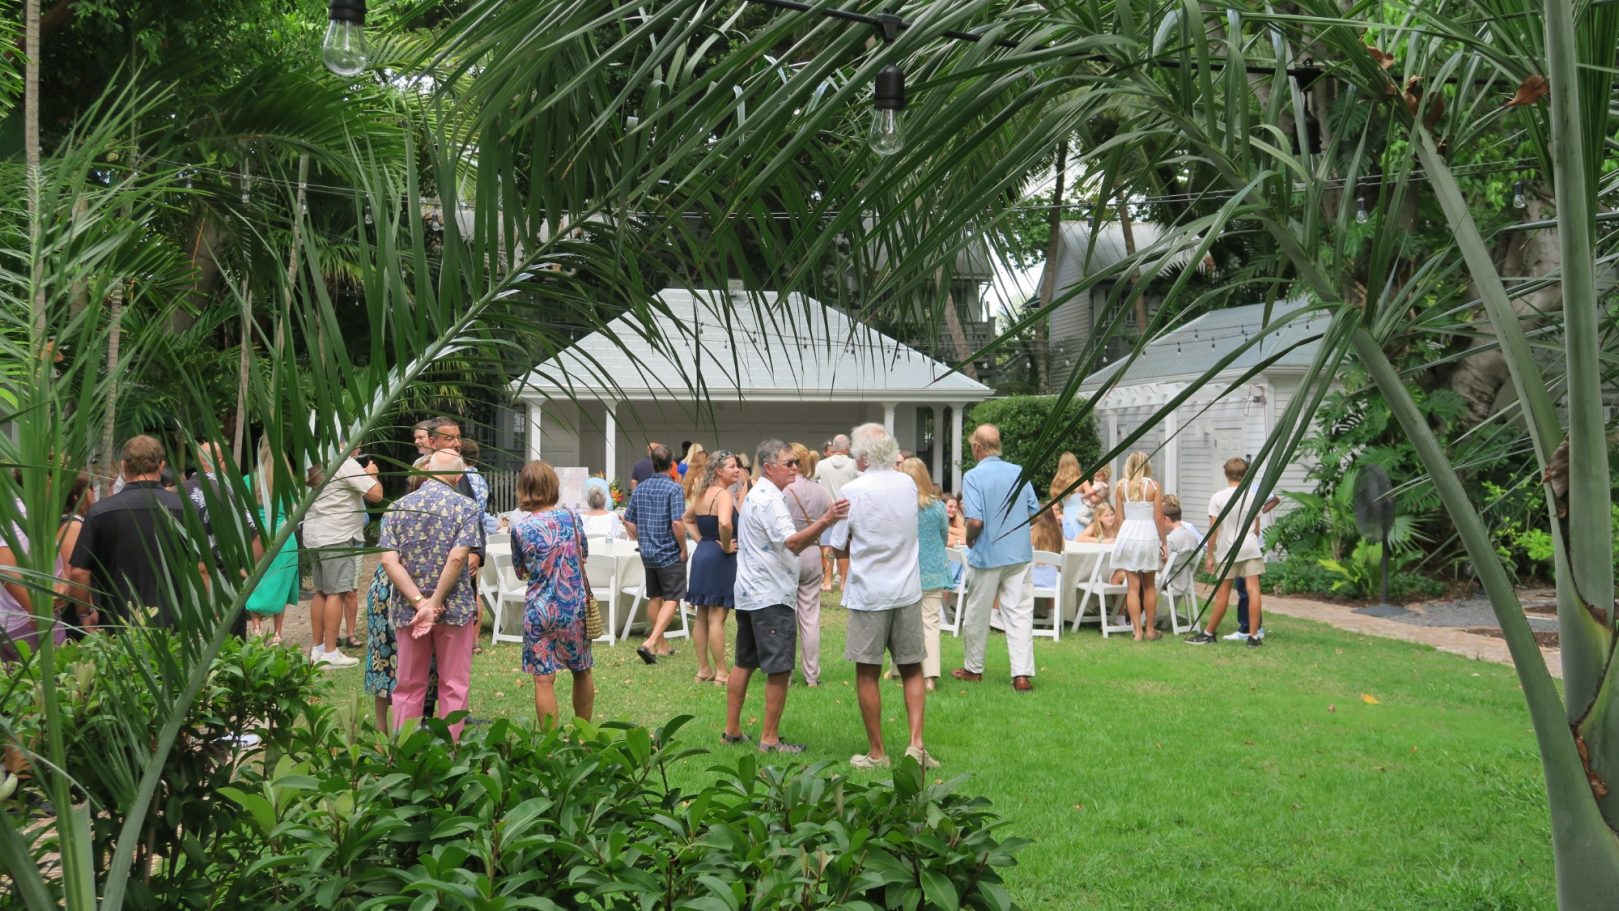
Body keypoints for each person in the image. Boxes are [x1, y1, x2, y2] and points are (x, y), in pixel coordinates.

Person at [723, 439, 847, 754]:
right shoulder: (771, 500)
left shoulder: (756, 494)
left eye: (796, 462)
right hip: (770, 596)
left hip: (751, 593)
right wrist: (827, 520)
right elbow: (791, 543)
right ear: (769, 468)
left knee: (744, 662)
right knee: (778, 669)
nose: (795, 468)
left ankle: (732, 731)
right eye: (788, 463)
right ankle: (770, 739)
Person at [827, 425, 934, 770]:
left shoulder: (852, 489)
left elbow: (837, 544)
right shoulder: (907, 483)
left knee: (867, 672)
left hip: (869, 592)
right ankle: (916, 745)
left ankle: (878, 752)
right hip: (906, 588)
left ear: (861, 454)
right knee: (912, 667)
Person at [379, 451, 483, 736]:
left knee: (408, 684)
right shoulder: (465, 507)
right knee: (454, 683)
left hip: (408, 610)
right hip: (454, 609)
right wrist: (434, 602)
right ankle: (452, 747)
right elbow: (458, 557)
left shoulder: (397, 507)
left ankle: (404, 750)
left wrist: (419, 602)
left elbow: (389, 561)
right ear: (459, 477)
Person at [67, 435, 196, 629]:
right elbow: (202, 568)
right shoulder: (185, 509)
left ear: (123, 467)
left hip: (118, 626)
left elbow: (78, 572)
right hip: (174, 626)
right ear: (161, 465)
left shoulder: (100, 512)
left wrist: (85, 614)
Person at [510, 460, 595, 727]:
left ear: (523, 489)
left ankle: (550, 743)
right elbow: (584, 555)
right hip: (573, 608)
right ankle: (584, 734)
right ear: (553, 486)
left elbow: (520, 571)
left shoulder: (520, 529)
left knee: (543, 679)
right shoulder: (572, 517)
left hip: (539, 609)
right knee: (581, 671)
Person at [955, 425, 1040, 692]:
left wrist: (969, 538)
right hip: (1018, 553)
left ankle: (973, 668)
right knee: (1019, 614)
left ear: (978, 447)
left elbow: (975, 520)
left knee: (977, 614)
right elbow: (1034, 512)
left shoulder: (973, 476)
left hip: (988, 553)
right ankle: (1022, 674)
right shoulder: (1018, 472)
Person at [303, 447, 382, 667]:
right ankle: (330, 652)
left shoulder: (316, 464)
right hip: (338, 534)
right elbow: (376, 495)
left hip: (315, 534)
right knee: (337, 592)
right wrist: (372, 474)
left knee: (320, 592)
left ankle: (318, 648)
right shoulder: (345, 463)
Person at [1188, 457, 1266, 647]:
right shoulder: (1252, 496)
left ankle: (1209, 633)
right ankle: (1253, 637)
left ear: (1226, 474)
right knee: (1253, 590)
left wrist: (1209, 555)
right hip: (1250, 547)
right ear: (1246, 474)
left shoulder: (1218, 498)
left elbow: (1213, 530)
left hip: (1228, 550)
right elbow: (1256, 528)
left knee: (1223, 594)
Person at [621, 444, 687, 664]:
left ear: (652, 464)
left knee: (655, 596)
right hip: (668, 551)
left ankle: (662, 645)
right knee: (673, 598)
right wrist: (683, 548)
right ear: (671, 465)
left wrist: (641, 537)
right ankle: (651, 643)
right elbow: (677, 522)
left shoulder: (640, 488)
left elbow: (628, 520)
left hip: (647, 552)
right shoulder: (674, 488)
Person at [684, 451, 740, 685]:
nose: (737, 470)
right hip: (719, 557)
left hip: (702, 555)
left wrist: (701, 541)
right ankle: (721, 672)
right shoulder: (723, 495)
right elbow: (725, 523)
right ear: (719, 471)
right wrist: (726, 546)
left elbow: (686, 519)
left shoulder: (701, 493)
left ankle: (703, 669)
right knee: (717, 618)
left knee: (701, 616)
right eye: (732, 467)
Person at [782, 442, 831, 686]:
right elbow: (831, 517)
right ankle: (812, 676)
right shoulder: (820, 491)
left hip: (789, 553)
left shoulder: (784, 489)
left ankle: (786, 673)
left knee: (787, 616)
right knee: (810, 618)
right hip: (812, 551)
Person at [899, 457, 948, 693]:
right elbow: (944, 536)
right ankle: (929, 677)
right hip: (933, 570)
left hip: (906, 571)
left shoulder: (899, 508)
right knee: (930, 623)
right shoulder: (938, 506)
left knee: (904, 623)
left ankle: (900, 668)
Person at [244, 436, 298, 643]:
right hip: (283, 537)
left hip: (257, 536)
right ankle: (277, 633)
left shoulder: (248, 480)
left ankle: (256, 627)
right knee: (280, 583)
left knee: (255, 580)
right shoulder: (289, 484)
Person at [1109, 451, 1166, 641]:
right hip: (1148, 535)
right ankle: (1149, 629)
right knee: (1149, 586)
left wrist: (1118, 536)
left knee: (1132, 587)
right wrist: (1163, 541)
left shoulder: (1120, 487)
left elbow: (1118, 518)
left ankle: (1137, 633)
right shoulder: (1153, 486)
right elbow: (1158, 518)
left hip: (1128, 534)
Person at [1227, 491, 1282, 641]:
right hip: (1251, 543)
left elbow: (1275, 499)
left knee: (1246, 589)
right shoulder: (1247, 490)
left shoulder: (1253, 489)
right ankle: (1255, 627)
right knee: (1248, 588)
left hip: (1249, 543)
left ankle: (1248, 629)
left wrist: (1258, 513)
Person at [814, 433, 859, 591]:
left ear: (833, 447)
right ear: (848, 448)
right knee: (845, 546)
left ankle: (826, 581)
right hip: (847, 511)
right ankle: (844, 582)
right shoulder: (854, 464)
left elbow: (811, 478)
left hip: (827, 510)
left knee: (826, 544)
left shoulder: (822, 464)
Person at [53, 473, 95, 638]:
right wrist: (86, 612)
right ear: (78, 495)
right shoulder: (74, 526)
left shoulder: (66, 522)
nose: (94, 496)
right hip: (74, 611)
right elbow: (74, 574)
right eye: (90, 489)